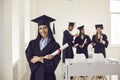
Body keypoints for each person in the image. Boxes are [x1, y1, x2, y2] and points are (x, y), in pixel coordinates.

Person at [25, 15, 61, 80]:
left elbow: (54, 63)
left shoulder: (55, 45)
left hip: (48, 76)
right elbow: (31, 59)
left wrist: (39, 59)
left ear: (49, 28)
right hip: (35, 75)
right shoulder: (32, 43)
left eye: (45, 27)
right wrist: (45, 58)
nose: (42, 30)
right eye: (40, 28)